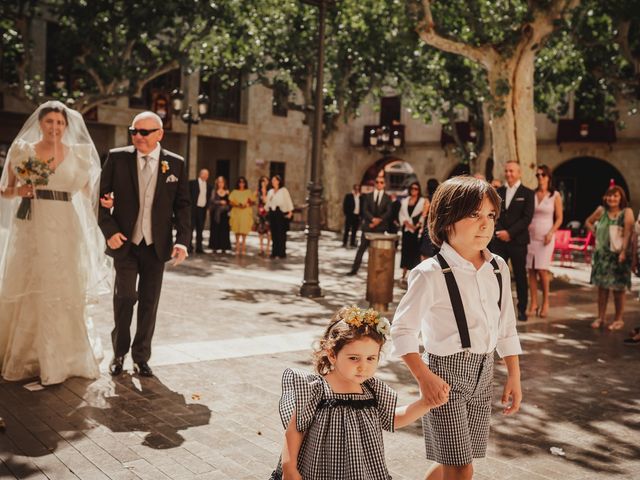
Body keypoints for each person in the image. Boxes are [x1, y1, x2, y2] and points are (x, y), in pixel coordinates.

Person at [392, 176, 522, 480]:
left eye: (490, 215)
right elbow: (401, 331)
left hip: (484, 371)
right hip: (443, 375)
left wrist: (514, 374)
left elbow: (506, 326)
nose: (485, 224)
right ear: (446, 220)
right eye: (474, 214)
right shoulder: (429, 273)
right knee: (460, 466)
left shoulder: (498, 267)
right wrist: (424, 378)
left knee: (463, 460)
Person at [0, 100, 110, 385]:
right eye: (49, 122)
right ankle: (30, 356)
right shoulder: (22, 150)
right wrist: (19, 190)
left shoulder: (80, 155)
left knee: (64, 283)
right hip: (32, 225)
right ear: (40, 123)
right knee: (32, 281)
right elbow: (5, 190)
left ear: (66, 126)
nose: (55, 127)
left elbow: (89, 194)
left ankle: (66, 356)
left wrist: (108, 203)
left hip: (66, 226)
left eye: (60, 123)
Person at [269, 306, 443, 480]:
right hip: (318, 470)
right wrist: (289, 469)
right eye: (354, 358)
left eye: (370, 358)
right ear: (332, 355)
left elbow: (393, 419)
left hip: (361, 471)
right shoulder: (316, 389)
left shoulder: (373, 390)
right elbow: (295, 431)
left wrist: (425, 404)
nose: (363, 366)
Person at [99, 111, 190, 378]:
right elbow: (101, 198)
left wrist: (183, 241)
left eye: (144, 132)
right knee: (125, 297)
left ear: (159, 134)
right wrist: (109, 230)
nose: (137, 136)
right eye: (134, 131)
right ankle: (118, 353)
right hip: (125, 244)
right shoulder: (117, 158)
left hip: (156, 246)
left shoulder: (175, 164)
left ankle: (141, 357)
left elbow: (183, 206)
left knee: (149, 302)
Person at [585, 185, 634, 331]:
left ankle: (619, 319)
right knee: (602, 288)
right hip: (603, 256)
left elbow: (628, 233)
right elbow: (588, 222)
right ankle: (601, 317)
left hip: (619, 255)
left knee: (619, 289)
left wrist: (624, 251)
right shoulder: (601, 211)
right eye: (610, 195)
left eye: (616, 196)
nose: (612, 198)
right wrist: (596, 233)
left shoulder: (626, 212)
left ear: (621, 198)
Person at [490, 161, 535, 321]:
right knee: (496, 275)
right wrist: (500, 231)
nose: (508, 174)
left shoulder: (528, 193)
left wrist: (510, 233)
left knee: (520, 275)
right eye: (507, 171)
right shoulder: (498, 191)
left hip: (518, 241)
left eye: (512, 171)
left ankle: (522, 309)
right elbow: (494, 213)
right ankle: (496, 310)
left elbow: (526, 218)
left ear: (519, 173)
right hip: (499, 241)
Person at [526, 165, 563, 318]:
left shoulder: (555, 195)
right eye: (538, 175)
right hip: (530, 235)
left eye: (543, 175)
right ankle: (533, 302)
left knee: (542, 270)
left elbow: (560, 218)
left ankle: (546, 302)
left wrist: (551, 232)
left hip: (546, 237)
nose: (540, 177)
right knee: (531, 270)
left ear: (548, 177)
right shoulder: (532, 194)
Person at [347, 176, 392, 275]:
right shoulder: (368, 196)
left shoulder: (387, 198)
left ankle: (377, 272)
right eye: (377, 182)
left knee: (378, 252)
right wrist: (372, 220)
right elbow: (364, 210)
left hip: (380, 228)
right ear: (375, 183)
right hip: (368, 227)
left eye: (381, 182)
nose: (379, 184)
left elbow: (388, 212)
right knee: (361, 249)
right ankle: (354, 269)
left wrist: (378, 221)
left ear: (384, 184)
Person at [399, 181, 425, 283]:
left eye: (416, 189)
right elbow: (401, 213)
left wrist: (417, 225)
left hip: (416, 231)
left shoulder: (422, 201)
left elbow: (424, 214)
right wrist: (406, 223)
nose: (414, 190)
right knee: (405, 251)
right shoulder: (405, 201)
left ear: (419, 190)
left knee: (414, 253)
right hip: (406, 230)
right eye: (412, 188)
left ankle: (412, 275)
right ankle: (403, 274)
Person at [266, 174, 294, 259]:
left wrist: (290, 211)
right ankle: (274, 252)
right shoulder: (270, 191)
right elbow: (267, 203)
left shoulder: (283, 190)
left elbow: (288, 200)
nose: (273, 182)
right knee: (273, 233)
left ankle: (281, 252)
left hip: (280, 213)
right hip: (272, 213)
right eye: (272, 180)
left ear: (279, 181)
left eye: (275, 180)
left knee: (281, 233)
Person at [228, 176, 255, 256]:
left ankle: (243, 247)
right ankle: (237, 247)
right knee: (237, 229)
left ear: (245, 183)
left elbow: (253, 201)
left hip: (245, 212)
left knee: (244, 230)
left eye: (243, 182)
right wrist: (237, 204)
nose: (241, 184)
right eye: (240, 182)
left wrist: (247, 204)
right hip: (237, 212)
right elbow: (230, 201)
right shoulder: (235, 192)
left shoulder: (248, 191)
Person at [188, 168, 212, 253]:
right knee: (190, 228)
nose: (205, 176)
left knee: (200, 229)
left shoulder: (209, 186)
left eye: (207, 175)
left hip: (202, 210)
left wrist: (208, 207)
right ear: (200, 174)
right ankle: (189, 247)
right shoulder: (192, 183)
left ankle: (199, 248)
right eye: (204, 174)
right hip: (193, 209)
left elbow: (208, 197)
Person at [209, 176, 231, 253]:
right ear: (217, 183)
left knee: (224, 230)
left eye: (222, 182)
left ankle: (224, 247)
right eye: (219, 182)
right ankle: (214, 247)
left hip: (224, 214)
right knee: (215, 230)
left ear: (224, 183)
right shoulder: (214, 191)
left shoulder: (227, 191)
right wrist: (220, 202)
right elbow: (212, 201)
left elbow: (230, 203)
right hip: (216, 213)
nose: (220, 183)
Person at [256, 175, 271, 256]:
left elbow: (265, 201)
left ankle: (268, 248)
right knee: (260, 231)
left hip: (267, 213)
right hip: (260, 213)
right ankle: (261, 248)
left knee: (268, 231)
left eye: (265, 181)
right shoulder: (258, 191)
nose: (264, 182)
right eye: (262, 181)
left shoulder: (270, 191)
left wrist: (264, 191)